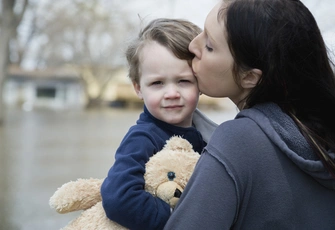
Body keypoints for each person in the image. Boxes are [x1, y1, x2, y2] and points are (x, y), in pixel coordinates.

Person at [164, 0, 335, 229]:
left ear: (250, 77)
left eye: (210, 46)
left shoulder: (239, 141)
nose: (193, 46)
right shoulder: (321, 137)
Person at [100, 18, 217, 230]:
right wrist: (178, 219)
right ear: (138, 88)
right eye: (157, 83)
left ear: (201, 83)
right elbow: (119, 198)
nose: (171, 93)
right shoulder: (143, 138)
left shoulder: (211, 137)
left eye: (183, 81)